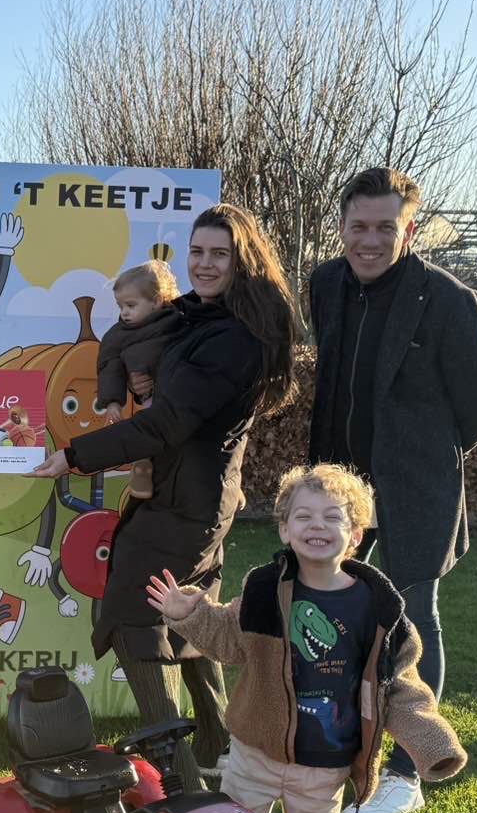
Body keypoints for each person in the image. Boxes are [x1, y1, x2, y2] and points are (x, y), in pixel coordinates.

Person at [31, 203, 297, 783]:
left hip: (188, 504)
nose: (204, 264)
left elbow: (165, 425)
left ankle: (178, 773)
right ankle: (222, 752)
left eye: (219, 254)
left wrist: (74, 456)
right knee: (191, 619)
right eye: (196, 252)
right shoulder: (194, 317)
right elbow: (129, 335)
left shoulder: (233, 339)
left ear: (242, 262)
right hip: (185, 498)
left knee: (136, 615)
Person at [308, 166, 477, 813]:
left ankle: (406, 771)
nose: (369, 240)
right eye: (358, 226)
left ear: (410, 229)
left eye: (384, 227)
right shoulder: (325, 284)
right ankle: (345, 749)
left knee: (411, 615)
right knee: (337, 615)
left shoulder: (450, 302)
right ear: (340, 227)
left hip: (418, 484)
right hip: (339, 487)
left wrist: (425, 459)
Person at [144, 463, 465, 813]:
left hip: (323, 766)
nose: (318, 525)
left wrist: (432, 744)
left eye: (333, 517)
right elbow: (228, 640)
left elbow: (399, 686)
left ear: (355, 535)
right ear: (284, 529)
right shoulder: (264, 591)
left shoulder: (378, 610)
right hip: (253, 756)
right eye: (304, 516)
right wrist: (188, 614)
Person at [93, 259, 185, 500]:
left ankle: (219, 479)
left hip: (184, 391)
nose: (124, 312)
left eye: (131, 305)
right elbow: (110, 366)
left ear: (156, 301)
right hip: (153, 398)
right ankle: (142, 465)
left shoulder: (180, 320)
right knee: (149, 426)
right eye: (120, 306)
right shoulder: (119, 335)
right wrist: (113, 402)